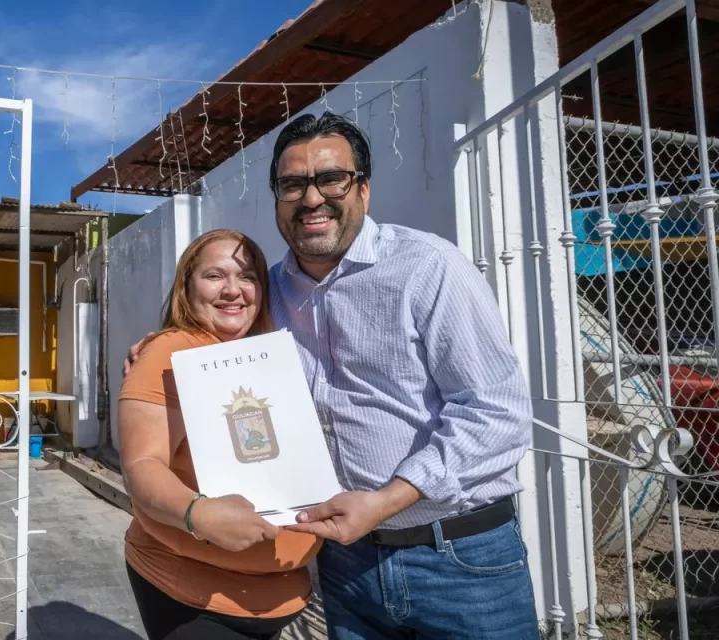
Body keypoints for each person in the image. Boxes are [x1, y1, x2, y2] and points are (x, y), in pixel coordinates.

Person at [124, 112, 540, 639]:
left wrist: (388, 500)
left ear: (363, 189)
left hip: (458, 557)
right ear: (278, 200)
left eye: (331, 179)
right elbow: (209, 326)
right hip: (347, 564)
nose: (312, 197)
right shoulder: (267, 291)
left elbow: (496, 413)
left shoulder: (429, 268)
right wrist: (158, 344)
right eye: (292, 184)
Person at [118, 228, 322, 640]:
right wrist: (197, 513)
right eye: (215, 276)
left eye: (247, 277)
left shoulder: (269, 352)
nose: (233, 290)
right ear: (186, 287)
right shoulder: (169, 351)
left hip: (286, 594)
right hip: (196, 596)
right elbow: (142, 464)